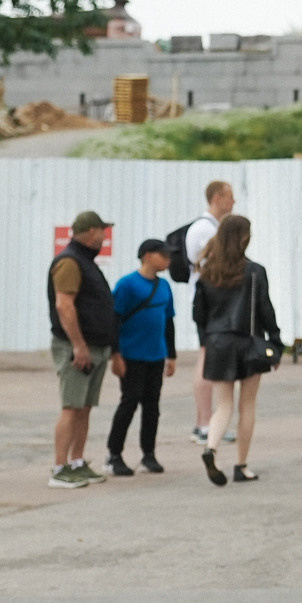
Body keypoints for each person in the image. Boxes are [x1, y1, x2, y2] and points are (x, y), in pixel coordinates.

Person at [191, 214, 281, 487]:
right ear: (244, 237)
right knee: (247, 404)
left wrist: (206, 340)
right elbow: (265, 309)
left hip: (218, 342)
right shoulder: (254, 271)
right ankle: (241, 465)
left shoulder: (207, 271)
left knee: (223, 405)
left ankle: (212, 449)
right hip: (248, 342)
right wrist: (275, 341)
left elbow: (199, 314)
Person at [48, 210, 118, 489]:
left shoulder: (86, 262)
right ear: (91, 232)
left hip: (95, 346)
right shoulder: (69, 262)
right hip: (77, 347)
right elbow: (64, 305)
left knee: (84, 408)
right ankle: (59, 467)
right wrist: (79, 346)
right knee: (71, 407)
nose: (104, 236)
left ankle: (77, 462)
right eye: (103, 231)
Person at [106, 239, 177, 476]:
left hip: (155, 354)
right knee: (129, 401)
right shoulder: (128, 285)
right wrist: (115, 354)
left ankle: (149, 453)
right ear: (147, 256)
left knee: (152, 405)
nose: (168, 260)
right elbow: (113, 321)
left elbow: (168, 322)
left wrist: (171, 354)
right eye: (163, 255)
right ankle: (114, 453)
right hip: (132, 354)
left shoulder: (164, 286)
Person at [185, 179, 234, 450]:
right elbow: (217, 263)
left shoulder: (211, 227)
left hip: (214, 302)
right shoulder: (204, 229)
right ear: (217, 198)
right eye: (230, 197)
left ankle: (209, 422)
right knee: (206, 358)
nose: (233, 202)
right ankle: (203, 423)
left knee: (210, 358)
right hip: (208, 303)